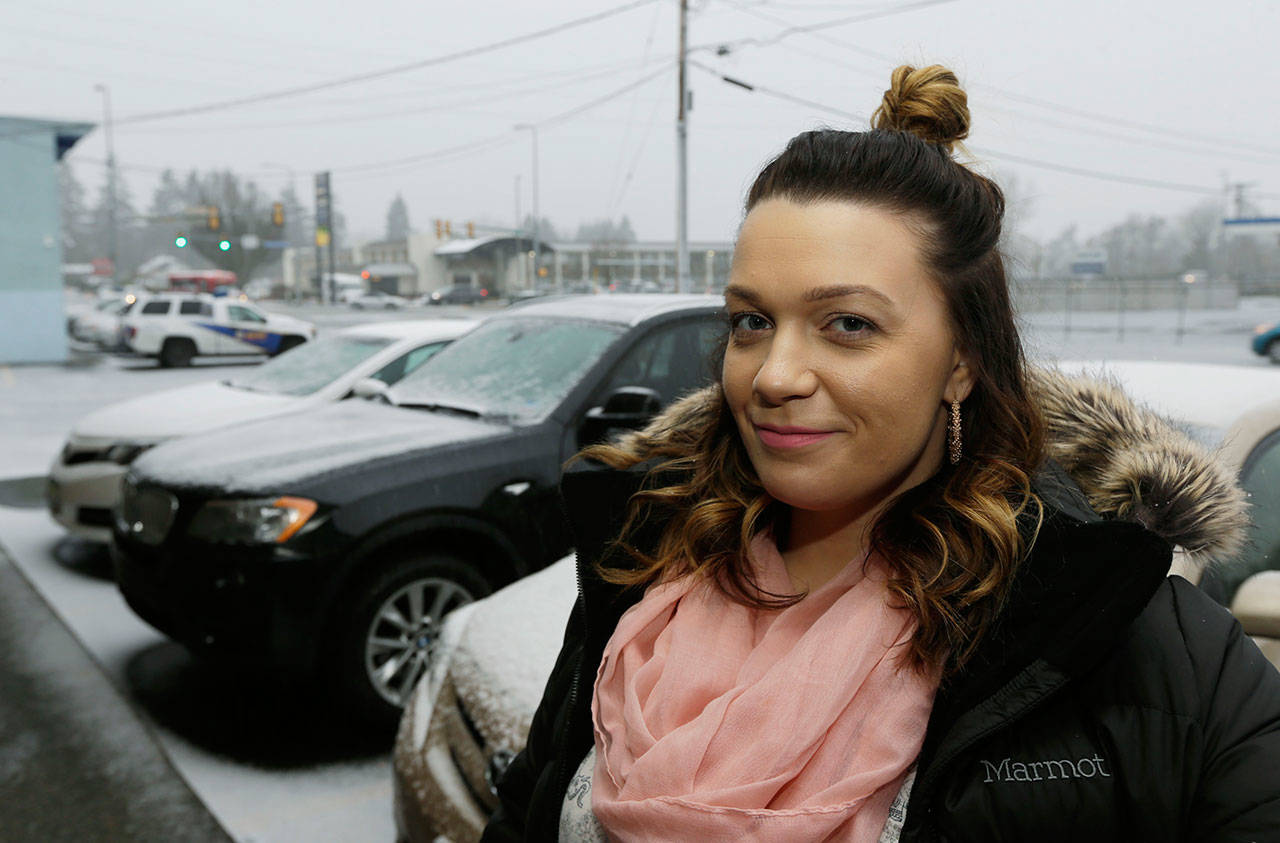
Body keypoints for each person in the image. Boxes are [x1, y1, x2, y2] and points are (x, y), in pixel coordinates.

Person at [482, 65, 1280, 842]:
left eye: (848, 325)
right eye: (751, 321)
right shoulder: (645, 569)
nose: (775, 375)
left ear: (961, 360)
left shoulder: (1142, 640)